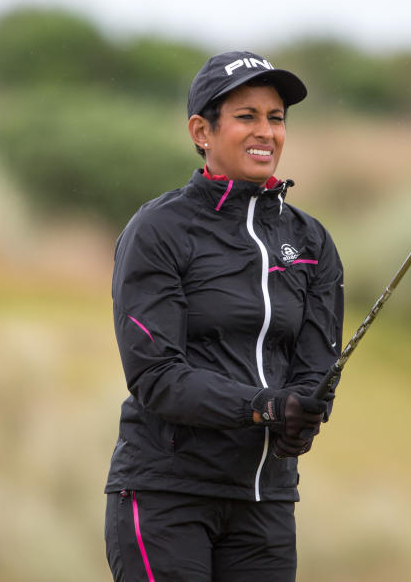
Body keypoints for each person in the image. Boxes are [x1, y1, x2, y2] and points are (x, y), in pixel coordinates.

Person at [103, 50, 344, 582]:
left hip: (266, 501)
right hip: (167, 495)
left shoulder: (310, 242)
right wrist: (266, 408)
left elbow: (314, 369)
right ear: (201, 131)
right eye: (246, 116)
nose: (267, 132)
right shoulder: (159, 231)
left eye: (276, 117)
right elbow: (156, 377)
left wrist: (301, 418)